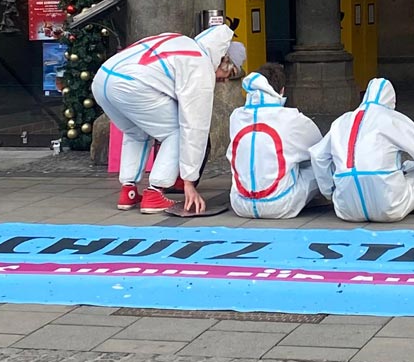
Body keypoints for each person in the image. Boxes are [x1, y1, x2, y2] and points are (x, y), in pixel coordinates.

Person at [92, 25, 234, 215]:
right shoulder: (200, 64)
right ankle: (155, 194)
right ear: (222, 61)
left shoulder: (180, 40)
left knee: (136, 132)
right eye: (228, 75)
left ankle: (128, 191)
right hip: (132, 84)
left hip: (102, 79)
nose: (224, 81)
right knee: (176, 132)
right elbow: (194, 125)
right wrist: (189, 181)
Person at [310, 77, 414, 222]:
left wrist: (331, 192)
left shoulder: (341, 121)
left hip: (346, 210)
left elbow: (317, 156)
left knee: (406, 166)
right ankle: (411, 202)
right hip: (389, 207)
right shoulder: (392, 119)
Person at [227, 63, 325, 219]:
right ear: (282, 91)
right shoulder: (292, 118)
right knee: (318, 163)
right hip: (281, 204)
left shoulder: (236, 116)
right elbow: (320, 149)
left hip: (240, 204)